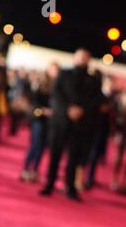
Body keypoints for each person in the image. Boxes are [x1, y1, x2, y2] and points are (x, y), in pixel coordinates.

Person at [39, 48, 101, 201]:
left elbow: (96, 100)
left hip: (80, 125)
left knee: (74, 158)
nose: (82, 60)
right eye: (80, 57)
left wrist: (81, 110)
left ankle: (70, 187)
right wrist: (68, 109)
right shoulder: (64, 74)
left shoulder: (93, 80)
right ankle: (49, 183)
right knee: (55, 155)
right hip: (60, 121)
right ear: (74, 58)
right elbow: (56, 94)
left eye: (85, 58)